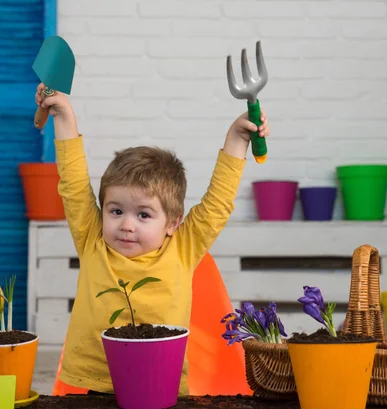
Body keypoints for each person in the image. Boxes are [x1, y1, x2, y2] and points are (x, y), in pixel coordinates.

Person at [34, 83, 271, 396]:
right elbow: (74, 185)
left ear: (172, 222)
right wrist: (63, 115)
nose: (127, 225)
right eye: (116, 211)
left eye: (143, 215)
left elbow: (217, 204)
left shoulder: (183, 248)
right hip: (91, 386)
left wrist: (238, 138)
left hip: (161, 381)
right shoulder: (93, 239)